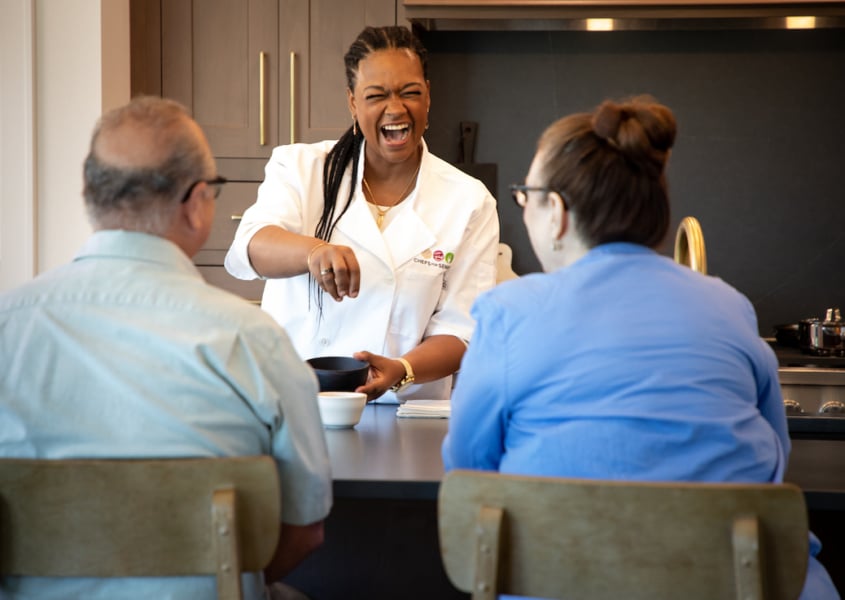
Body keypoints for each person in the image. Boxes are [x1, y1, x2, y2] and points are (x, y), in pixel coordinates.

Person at [442, 97, 839, 599]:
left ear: (557, 212)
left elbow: (469, 472)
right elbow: (772, 465)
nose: (524, 210)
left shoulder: (507, 312)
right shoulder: (729, 307)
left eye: (527, 196)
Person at [0, 96, 332, 599]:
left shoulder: (8, 328)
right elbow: (303, 532)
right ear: (197, 203)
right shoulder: (253, 339)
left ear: (89, 194)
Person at [225, 25, 499, 403]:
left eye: (410, 93)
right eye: (376, 95)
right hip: (296, 401)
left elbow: (462, 330)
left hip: (402, 410)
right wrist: (312, 252)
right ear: (353, 103)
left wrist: (402, 371)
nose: (396, 108)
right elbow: (250, 246)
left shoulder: (469, 200)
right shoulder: (301, 167)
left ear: (428, 97)